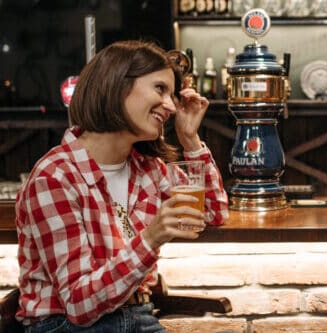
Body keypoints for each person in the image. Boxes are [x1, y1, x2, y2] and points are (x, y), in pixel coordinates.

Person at [15, 40, 229, 332]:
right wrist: (151, 238)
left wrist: (190, 139)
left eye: (172, 94)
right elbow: (79, 305)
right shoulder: (55, 178)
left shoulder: (148, 171)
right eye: (160, 89)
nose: (170, 105)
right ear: (117, 85)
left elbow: (214, 213)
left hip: (138, 317)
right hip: (65, 326)